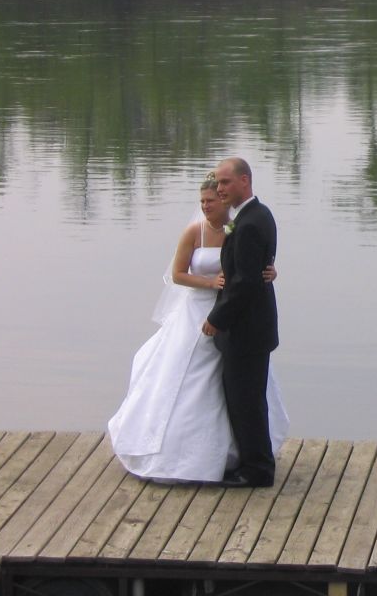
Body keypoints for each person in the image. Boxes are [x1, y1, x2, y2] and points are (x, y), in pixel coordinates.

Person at [108, 174, 288, 483]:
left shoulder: (239, 228)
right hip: (197, 313)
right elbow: (178, 274)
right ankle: (180, 455)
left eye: (211, 200)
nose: (206, 206)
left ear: (224, 201)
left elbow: (247, 268)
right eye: (202, 201)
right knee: (184, 378)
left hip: (228, 317)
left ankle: (239, 455)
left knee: (234, 388)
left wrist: (269, 271)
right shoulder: (195, 232)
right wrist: (208, 282)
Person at [203, 157, 280, 488]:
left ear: (245, 181)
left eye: (225, 182)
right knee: (247, 398)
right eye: (218, 183)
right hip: (255, 327)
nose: (220, 188)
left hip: (246, 330)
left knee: (245, 400)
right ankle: (253, 462)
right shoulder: (257, 214)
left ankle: (257, 469)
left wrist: (216, 319)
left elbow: (246, 282)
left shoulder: (248, 223)